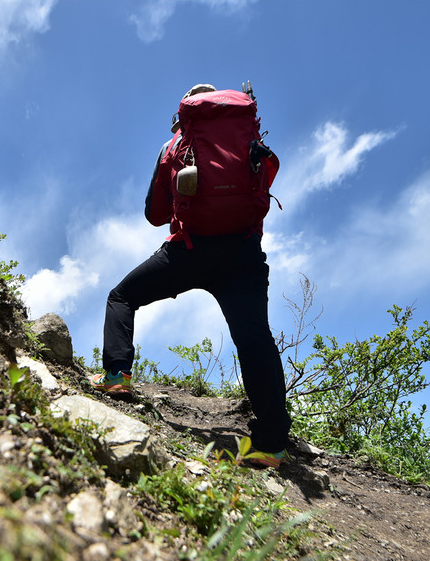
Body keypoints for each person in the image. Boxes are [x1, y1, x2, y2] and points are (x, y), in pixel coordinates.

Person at [90, 84, 291, 469]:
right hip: (242, 255)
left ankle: (116, 374)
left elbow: (154, 214)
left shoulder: (175, 147)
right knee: (254, 341)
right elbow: (262, 188)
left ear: (186, 113)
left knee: (122, 297)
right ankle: (271, 444)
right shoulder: (247, 138)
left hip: (188, 250)